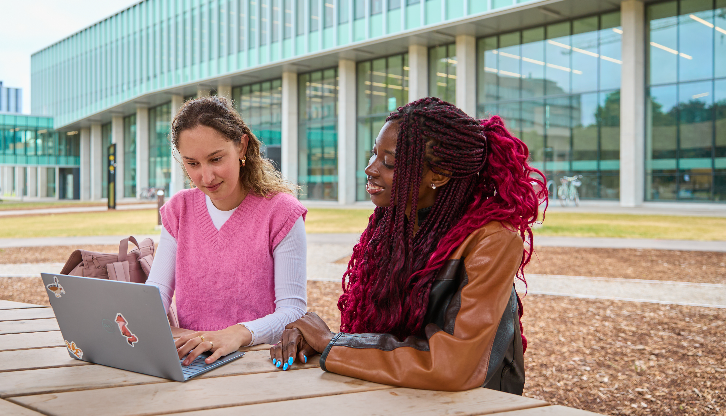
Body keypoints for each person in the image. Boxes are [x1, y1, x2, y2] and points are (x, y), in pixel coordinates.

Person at [270, 97, 546, 394]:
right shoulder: (390, 225)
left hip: (474, 404)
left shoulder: (492, 241)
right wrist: (316, 343)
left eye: (389, 162)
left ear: (438, 175)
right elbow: (376, 338)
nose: (370, 169)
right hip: (395, 395)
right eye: (373, 154)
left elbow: (451, 365)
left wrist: (331, 343)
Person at [146, 96, 307, 367]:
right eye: (192, 164)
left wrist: (237, 334)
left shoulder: (281, 213)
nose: (206, 177)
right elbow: (158, 290)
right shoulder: (179, 209)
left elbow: (293, 311)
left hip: (256, 363)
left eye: (216, 159)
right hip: (193, 360)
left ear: (242, 146)